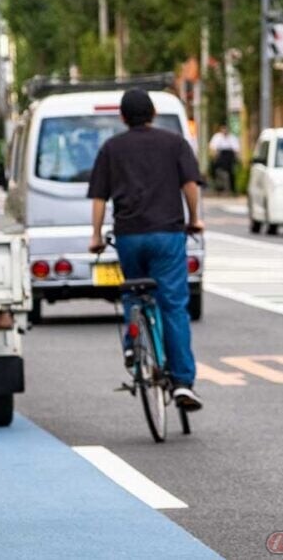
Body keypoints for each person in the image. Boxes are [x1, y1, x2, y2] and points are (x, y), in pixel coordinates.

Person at [87, 89, 205, 411]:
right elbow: (190, 185)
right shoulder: (174, 144)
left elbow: (99, 197)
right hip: (167, 235)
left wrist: (96, 236)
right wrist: (194, 219)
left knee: (133, 291)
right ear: (152, 114)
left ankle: (133, 345)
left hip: (130, 236)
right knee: (173, 305)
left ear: (123, 117)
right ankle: (182, 382)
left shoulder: (112, 148)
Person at [208, 124, 240, 194]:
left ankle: (232, 189)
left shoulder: (232, 138)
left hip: (229, 157)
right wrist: (214, 156)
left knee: (232, 172)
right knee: (214, 169)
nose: (225, 131)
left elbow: (236, 150)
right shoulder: (217, 137)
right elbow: (212, 148)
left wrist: (236, 158)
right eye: (223, 129)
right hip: (220, 157)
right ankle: (217, 187)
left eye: (226, 129)